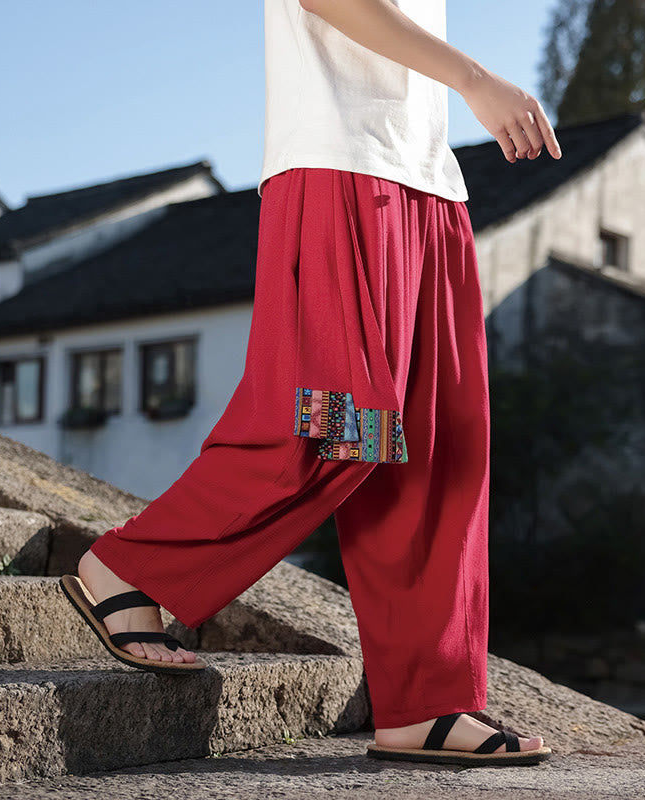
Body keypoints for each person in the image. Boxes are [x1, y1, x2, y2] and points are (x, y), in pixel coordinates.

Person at [61, 0, 562, 767]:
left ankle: (425, 702)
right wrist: (475, 80)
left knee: (438, 457)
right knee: (337, 430)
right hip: (340, 172)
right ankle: (131, 567)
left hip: (429, 182)